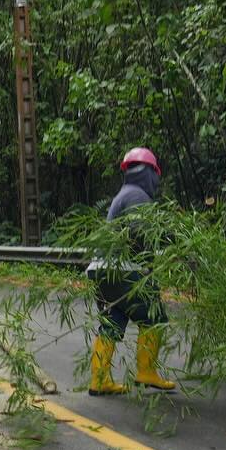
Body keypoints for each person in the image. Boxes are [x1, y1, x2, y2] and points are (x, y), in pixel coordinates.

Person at [85, 146, 176, 395]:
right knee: (154, 317)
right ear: (151, 173)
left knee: (112, 321)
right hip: (124, 270)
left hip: (102, 270)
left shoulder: (124, 193)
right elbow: (139, 231)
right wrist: (169, 240)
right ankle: (147, 372)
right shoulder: (137, 196)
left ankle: (99, 380)